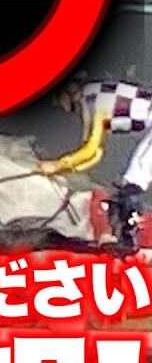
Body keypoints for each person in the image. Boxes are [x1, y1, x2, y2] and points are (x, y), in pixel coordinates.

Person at [40, 78, 152, 250]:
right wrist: (65, 168)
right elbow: (96, 154)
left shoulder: (94, 101)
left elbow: (90, 149)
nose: (57, 105)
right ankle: (125, 234)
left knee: (133, 181)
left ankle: (128, 240)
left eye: (56, 99)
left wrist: (56, 165)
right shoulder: (90, 96)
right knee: (129, 183)